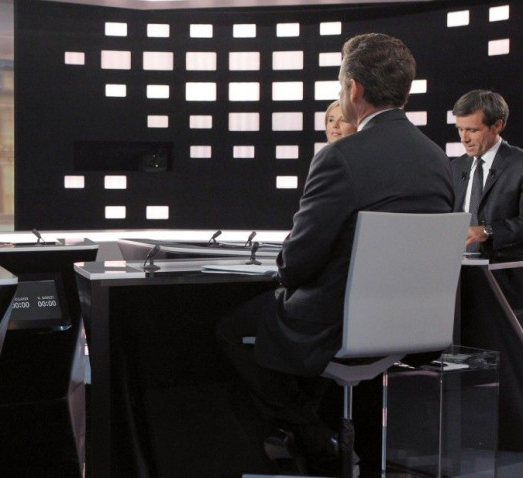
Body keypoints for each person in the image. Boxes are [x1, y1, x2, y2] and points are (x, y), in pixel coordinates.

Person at [215, 33, 454, 475]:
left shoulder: (339, 157)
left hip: (339, 324)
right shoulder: (438, 159)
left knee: (234, 328)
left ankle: (310, 434)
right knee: (302, 319)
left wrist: (287, 268)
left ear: (353, 90)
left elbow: (296, 263)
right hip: (411, 324)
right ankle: (316, 442)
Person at [451, 89, 523, 259]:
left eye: (472, 130)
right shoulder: (455, 166)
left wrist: (487, 231)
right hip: (457, 273)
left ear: (497, 126)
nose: (464, 138)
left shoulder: (519, 164)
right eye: (460, 129)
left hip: (504, 275)